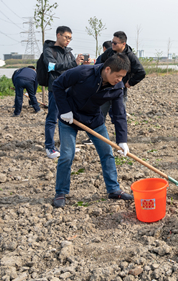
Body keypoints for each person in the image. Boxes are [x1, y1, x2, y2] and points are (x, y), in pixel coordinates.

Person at [51, 53, 133, 208]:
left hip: (93, 120)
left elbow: (119, 114)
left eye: (123, 77)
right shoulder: (83, 72)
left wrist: (122, 140)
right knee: (67, 155)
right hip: (70, 118)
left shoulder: (117, 87)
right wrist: (64, 110)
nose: (120, 80)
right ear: (107, 69)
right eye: (118, 76)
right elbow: (57, 85)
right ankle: (61, 192)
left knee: (107, 153)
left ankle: (114, 189)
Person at [43, 26, 88, 159]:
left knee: (69, 118)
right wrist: (73, 63)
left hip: (69, 89)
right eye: (66, 37)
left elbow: (71, 70)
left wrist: (80, 65)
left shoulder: (68, 52)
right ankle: (49, 147)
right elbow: (51, 67)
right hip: (56, 89)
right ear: (58, 35)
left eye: (70, 38)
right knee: (52, 118)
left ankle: (67, 145)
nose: (68, 40)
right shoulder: (49, 51)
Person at [97, 31, 146, 116]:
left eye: (115, 43)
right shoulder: (109, 52)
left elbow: (141, 72)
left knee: (119, 116)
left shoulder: (130, 56)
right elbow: (99, 63)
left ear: (123, 44)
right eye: (112, 42)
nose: (112, 44)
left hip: (119, 91)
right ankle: (98, 129)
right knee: (100, 114)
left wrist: (130, 82)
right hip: (105, 89)